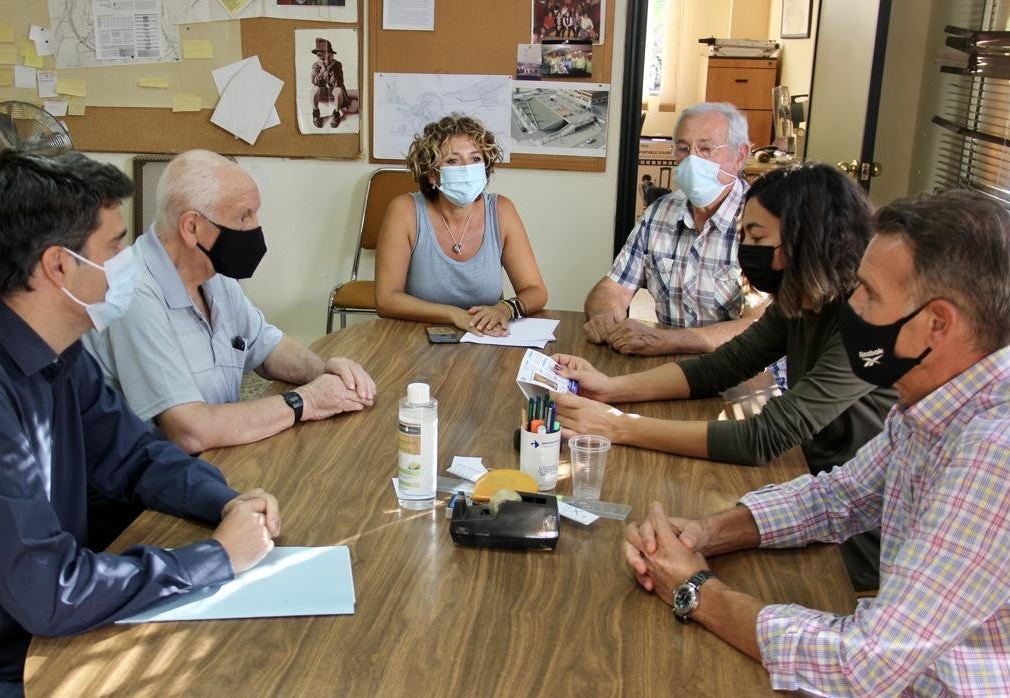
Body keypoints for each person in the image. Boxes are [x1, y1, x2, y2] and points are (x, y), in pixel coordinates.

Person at [0, 150, 282, 697]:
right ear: (58, 266)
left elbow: (135, 455)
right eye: (115, 246)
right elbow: (52, 591)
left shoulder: (54, 349)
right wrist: (215, 558)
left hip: (18, 625)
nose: (128, 260)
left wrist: (223, 502)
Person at [623, 190, 1010, 695]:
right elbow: (839, 497)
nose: (851, 305)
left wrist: (696, 591)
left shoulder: (1002, 454)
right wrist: (706, 532)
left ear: (937, 324)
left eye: (869, 294)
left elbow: (863, 662)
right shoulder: (937, 404)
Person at [553, 163, 896, 590]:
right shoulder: (799, 298)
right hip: (810, 490)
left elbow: (761, 438)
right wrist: (612, 388)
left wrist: (621, 427)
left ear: (801, 239)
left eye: (756, 237)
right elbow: (722, 367)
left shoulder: (862, 321)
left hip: (855, 531)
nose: (744, 250)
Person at [85, 150, 375, 456]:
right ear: (192, 227)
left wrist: (324, 372)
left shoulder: (212, 273)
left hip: (214, 459)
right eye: (244, 215)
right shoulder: (134, 292)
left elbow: (266, 349)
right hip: (142, 485)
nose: (256, 227)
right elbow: (189, 431)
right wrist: (306, 401)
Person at [583, 102, 766, 356]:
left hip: (742, 371)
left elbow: (760, 326)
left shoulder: (763, 222)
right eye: (683, 149)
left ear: (740, 156)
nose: (692, 160)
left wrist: (667, 340)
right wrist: (605, 317)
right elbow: (613, 287)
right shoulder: (660, 212)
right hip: (667, 366)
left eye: (705, 148)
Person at [375, 115, 548, 336]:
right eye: (453, 161)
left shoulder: (501, 210)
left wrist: (505, 308)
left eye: (475, 159)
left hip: (487, 336)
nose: (467, 169)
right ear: (432, 174)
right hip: (416, 336)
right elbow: (386, 299)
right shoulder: (405, 210)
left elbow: (536, 291)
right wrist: (454, 315)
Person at [310, 38, 347, 128]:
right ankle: (315, 113)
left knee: (338, 90)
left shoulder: (337, 65)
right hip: (323, 91)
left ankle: (336, 114)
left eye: (328, 56)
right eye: (321, 57)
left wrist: (330, 68)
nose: (325, 59)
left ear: (331, 55)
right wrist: (322, 70)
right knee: (315, 89)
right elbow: (314, 82)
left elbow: (339, 83)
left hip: (334, 89)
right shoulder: (316, 66)